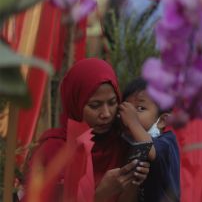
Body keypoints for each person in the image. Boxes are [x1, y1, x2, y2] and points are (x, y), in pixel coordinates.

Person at [23, 58, 149, 202]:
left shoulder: (121, 146)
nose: (106, 114)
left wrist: (132, 182)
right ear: (75, 103)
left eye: (112, 102)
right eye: (95, 105)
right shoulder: (54, 153)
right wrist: (100, 195)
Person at [120, 77, 181, 202]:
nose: (130, 113)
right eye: (127, 108)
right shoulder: (127, 142)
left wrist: (133, 121)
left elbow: (151, 149)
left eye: (140, 108)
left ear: (162, 120)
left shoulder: (167, 142)